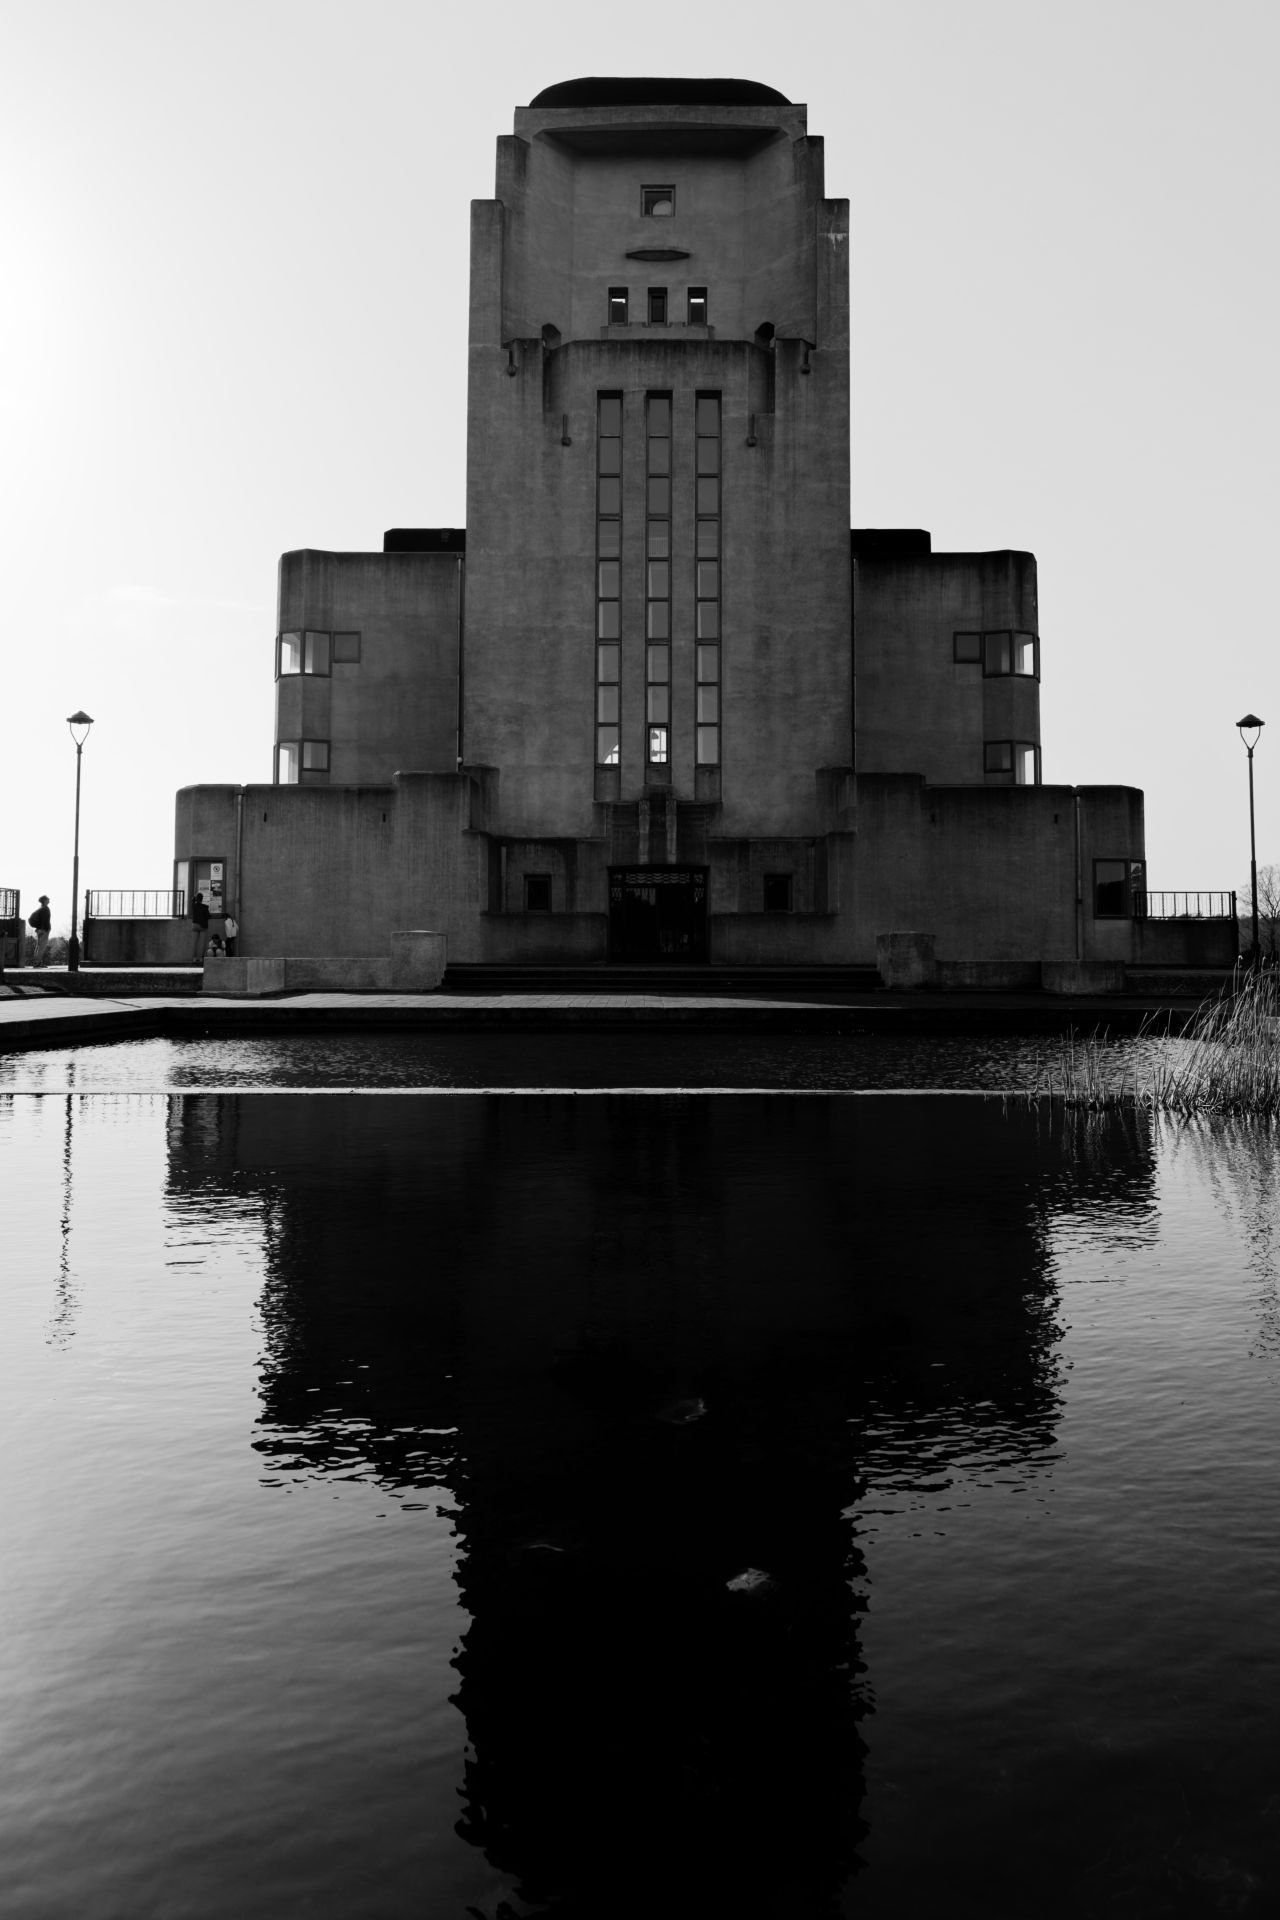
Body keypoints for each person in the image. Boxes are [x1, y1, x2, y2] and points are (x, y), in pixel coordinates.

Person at [28, 895, 52, 967]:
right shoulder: (45, 909)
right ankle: (37, 963)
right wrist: (43, 929)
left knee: (38, 946)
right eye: (48, 898)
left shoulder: (41, 908)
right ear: (45, 900)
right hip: (43, 930)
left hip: (40, 929)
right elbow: (44, 920)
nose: (49, 899)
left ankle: (36, 962)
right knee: (41, 947)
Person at [191, 891, 211, 963]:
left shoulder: (194, 906)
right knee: (202, 943)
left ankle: (194, 958)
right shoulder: (205, 907)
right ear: (202, 899)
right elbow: (208, 916)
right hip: (203, 926)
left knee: (194, 943)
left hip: (195, 925)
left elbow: (192, 900)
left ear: (197, 899)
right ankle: (200, 958)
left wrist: (194, 898)